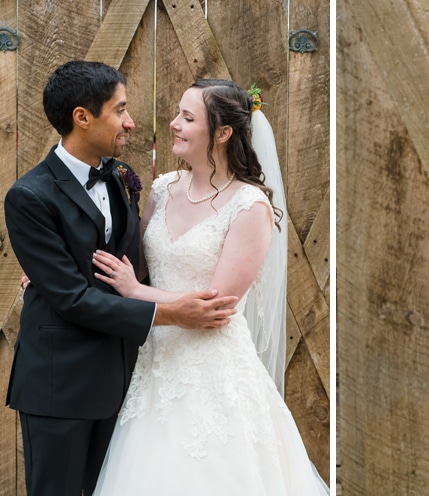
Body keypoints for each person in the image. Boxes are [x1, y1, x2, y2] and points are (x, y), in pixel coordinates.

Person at [4, 61, 240, 496]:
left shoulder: (119, 178)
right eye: (120, 110)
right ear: (82, 117)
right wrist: (173, 313)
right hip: (60, 386)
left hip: (126, 384)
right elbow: (73, 298)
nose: (130, 122)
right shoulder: (29, 197)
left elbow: (131, 263)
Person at [87, 79, 328, 495]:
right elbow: (132, 267)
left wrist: (136, 293)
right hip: (155, 368)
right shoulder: (163, 189)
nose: (174, 124)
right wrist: (60, 271)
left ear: (222, 133)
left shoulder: (249, 206)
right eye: (178, 114)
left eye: (188, 117)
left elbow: (217, 307)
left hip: (213, 374)